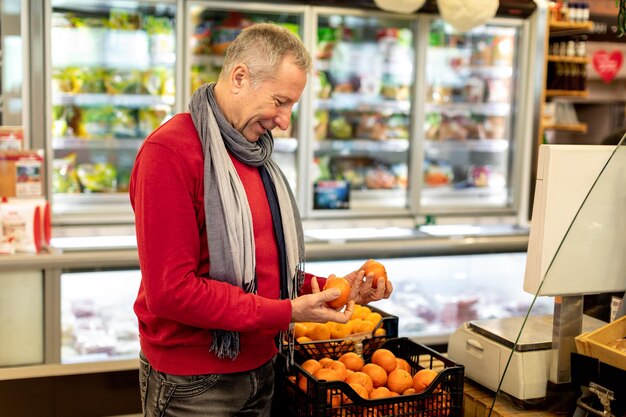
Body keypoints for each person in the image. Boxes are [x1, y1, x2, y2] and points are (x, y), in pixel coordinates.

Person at [129, 23, 393, 417]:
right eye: (280, 101)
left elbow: (264, 273)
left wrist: (334, 289)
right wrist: (289, 312)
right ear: (240, 78)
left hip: (262, 369)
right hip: (194, 386)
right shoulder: (168, 153)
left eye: (292, 106)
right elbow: (172, 291)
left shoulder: (254, 155)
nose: (285, 121)